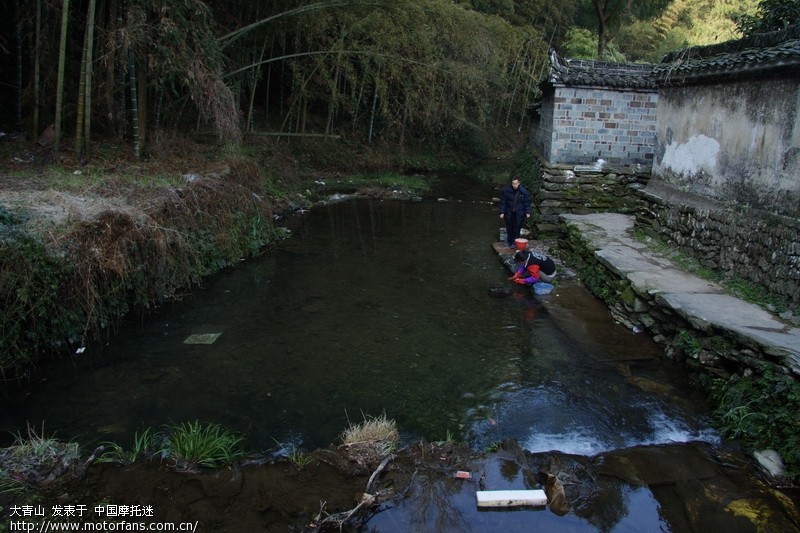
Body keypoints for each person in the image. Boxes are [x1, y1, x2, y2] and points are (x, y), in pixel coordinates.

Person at [498, 177, 531, 248]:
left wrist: (527, 212)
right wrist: (502, 212)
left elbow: (527, 203)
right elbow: (503, 202)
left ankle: (514, 242)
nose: (514, 185)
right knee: (509, 227)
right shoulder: (506, 191)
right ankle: (509, 241)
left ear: (519, 183)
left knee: (517, 228)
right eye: (513, 184)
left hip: (519, 213)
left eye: (516, 184)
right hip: (509, 212)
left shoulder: (524, 192)